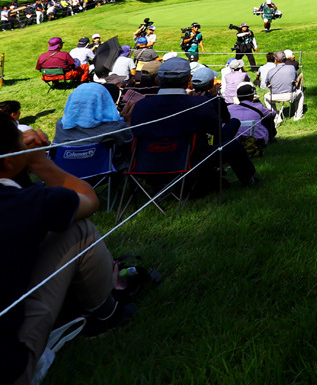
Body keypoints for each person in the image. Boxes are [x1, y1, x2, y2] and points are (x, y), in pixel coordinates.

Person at [1, 120, 134, 385]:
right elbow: (88, 198)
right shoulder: (31, 203)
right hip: (8, 368)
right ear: (8, 161)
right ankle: (104, 314)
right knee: (78, 229)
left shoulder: (65, 125)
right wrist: (39, 162)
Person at [128, 57, 259, 192]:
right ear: (188, 81)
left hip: (146, 166)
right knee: (233, 144)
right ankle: (249, 180)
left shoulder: (140, 106)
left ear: (157, 81)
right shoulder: (199, 104)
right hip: (188, 163)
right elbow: (216, 133)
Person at [263, 51, 304, 121]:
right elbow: (294, 79)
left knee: (266, 97)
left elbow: (266, 83)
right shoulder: (291, 68)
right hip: (290, 95)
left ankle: (276, 117)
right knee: (300, 94)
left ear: (275, 60)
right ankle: (298, 116)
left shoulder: (271, 71)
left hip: (275, 96)